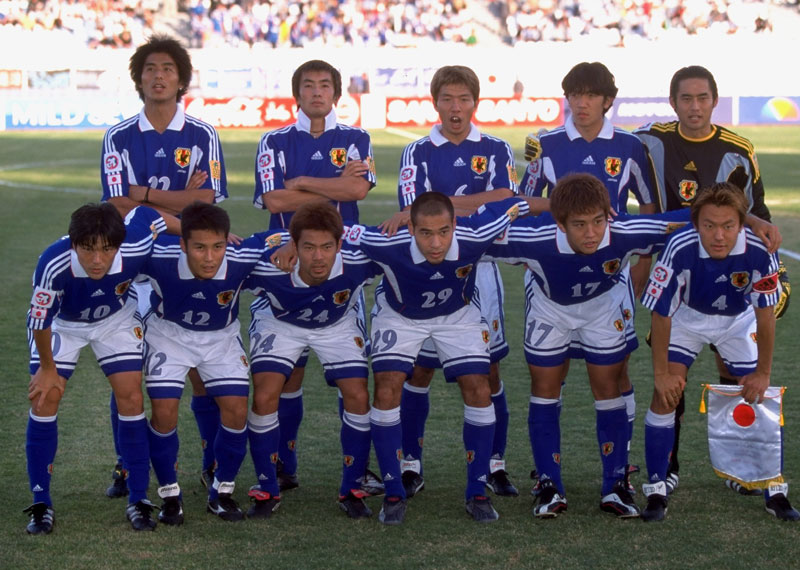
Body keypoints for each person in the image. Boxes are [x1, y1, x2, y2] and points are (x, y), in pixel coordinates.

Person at [483, 173, 689, 519]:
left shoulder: (625, 231)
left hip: (603, 306)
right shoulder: (531, 237)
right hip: (550, 308)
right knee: (545, 387)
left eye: (598, 221)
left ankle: (615, 484)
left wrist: (753, 220)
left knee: (608, 386)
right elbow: (464, 234)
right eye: (579, 224)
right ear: (559, 222)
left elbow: (698, 217)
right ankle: (548, 483)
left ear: (609, 214)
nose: (591, 233)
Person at [634, 65, 787, 495]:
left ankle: (740, 470)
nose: (695, 107)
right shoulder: (650, 139)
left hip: (730, 277)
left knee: (737, 380)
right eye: (686, 98)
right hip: (681, 270)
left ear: (715, 101)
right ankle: (666, 469)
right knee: (670, 384)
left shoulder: (738, 149)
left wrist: (765, 249)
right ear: (673, 102)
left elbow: (755, 210)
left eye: (702, 98)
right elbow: (610, 146)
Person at [348, 192, 531, 524]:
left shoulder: (476, 233)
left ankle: (477, 491)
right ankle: (393, 492)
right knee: (387, 387)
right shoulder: (386, 241)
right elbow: (330, 231)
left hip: (457, 315)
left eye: (444, 232)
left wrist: (565, 203)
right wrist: (288, 244)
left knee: (479, 386)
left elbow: (516, 203)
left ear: (455, 225)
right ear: (410, 229)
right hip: (400, 316)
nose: (436, 243)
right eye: (426, 233)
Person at [380, 65, 520, 498]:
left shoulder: (496, 148)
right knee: (418, 370)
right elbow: (414, 212)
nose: (455, 108)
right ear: (435, 102)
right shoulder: (417, 151)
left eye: (463, 99)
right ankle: (410, 463)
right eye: (447, 99)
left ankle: (494, 463)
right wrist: (476, 203)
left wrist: (443, 205)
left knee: (488, 370)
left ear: (475, 102)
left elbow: (507, 201)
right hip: (427, 271)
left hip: (481, 268)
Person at [101, 34, 228, 498]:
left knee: (199, 368)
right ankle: (127, 464)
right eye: (150, 69)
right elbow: (117, 204)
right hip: (133, 265)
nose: (159, 76)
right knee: (129, 372)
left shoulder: (202, 135)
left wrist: (146, 196)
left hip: (188, 263)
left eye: (168, 69)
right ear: (139, 79)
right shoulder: (118, 136)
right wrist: (179, 205)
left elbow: (207, 202)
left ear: (181, 80)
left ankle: (212, 463)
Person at [520, 62, 658, 490]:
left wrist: (641, 263)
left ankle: (621, 464)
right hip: (556, 273)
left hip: (612, 275)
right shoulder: (544, 144)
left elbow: (648, 208)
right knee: (550, 374)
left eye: (591, 95)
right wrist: (560, 212)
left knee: (616, 373)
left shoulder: (630, 146)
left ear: (607, 100)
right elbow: (524, 202)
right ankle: (547, 467)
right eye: (574, 95)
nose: (581, 103)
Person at [252, 59, 378, 494]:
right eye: (309, 85)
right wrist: (333, 185)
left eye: (325, 85)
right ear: (297, 94)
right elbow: (273, 201)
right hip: (286, 266)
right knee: (287, 377)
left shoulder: (357, 138)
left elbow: (358, 190)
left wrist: (302, 181)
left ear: (337, 94)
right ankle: (283, 465)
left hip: (340, 269)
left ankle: (357, 471)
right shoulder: (273, 141)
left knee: (352, 380)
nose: (317, 92)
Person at [639, 182, 798, 522]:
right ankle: (656, 487)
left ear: (741, 224)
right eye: (709, 225)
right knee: (665, 395)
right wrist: (662, 375)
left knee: (760, 395)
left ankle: (773, 488)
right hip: (686, 318)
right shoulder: (679, 246)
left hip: (738, 321)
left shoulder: (760, 249)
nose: (719, 235)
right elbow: (661, 313)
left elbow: (765, 314)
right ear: (696, 223)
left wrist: (763, 374)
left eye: (728, 225)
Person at [24, 203, 166, 534]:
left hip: (115, 320)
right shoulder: (53, 262)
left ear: (119, 244)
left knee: (131, 397)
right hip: (64, 325)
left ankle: (138, 498)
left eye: (107, 249)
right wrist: (47, 368)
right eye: (88, 249)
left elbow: (153, 216)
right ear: (74, 243)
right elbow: (40, 321)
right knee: (45, 398)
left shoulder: (135, 243)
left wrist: (189, 231)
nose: (98, 259)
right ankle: (41, 502)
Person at [242, 202, 382, 519]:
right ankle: (268, 487)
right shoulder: (266, 257)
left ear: (340, 243)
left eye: (326, 247)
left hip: (337, 323)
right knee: (265, 394)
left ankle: (352, 488)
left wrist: (403, 217)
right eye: (308, 247)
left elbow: (406, 240)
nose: (318, 256)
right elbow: (225, 256)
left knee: (357, 394)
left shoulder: (359, 254)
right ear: (294, 244)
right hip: (279, 322)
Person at [140, 202, 261, 524]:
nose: (210, 257)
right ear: (183, 244)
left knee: (236, 410)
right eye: (200, 248)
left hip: (221, 339)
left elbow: (281, 237)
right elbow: (130, 231)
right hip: (169, 336)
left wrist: (290, 245)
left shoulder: (243, 255)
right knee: (164, 411)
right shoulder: (158, 256)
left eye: (218, 246)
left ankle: (222, 491)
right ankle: (169, 494)